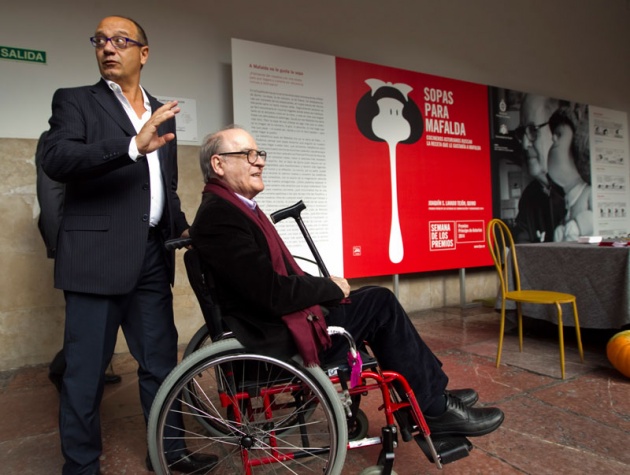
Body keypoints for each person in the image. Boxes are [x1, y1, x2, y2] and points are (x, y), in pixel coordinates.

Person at [189, 125, 505, 442]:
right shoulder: (221, 216)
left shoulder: (233, 209)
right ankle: (433, 406)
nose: (259, 162)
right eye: (248, 154)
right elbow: (271, 292)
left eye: (259, 154)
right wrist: (329, 288)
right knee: (380, 304)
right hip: (274, 338)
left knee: (371, 300)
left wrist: (325, 289)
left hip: (276, 323)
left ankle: (428, 392)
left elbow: (275, 281)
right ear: (219, 164)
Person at [41, 16, 216, 474]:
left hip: (152, 258)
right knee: (84, 375)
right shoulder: (76, 101)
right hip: (95, 259)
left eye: (120, 40)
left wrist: (188, 233)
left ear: (144, 52)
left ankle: (170, 454)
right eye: (100, 40)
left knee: (161, 365)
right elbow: (56, 158)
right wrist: (131, 146)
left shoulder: (160, 109)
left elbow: (165, 188)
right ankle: (80, 467)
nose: (108, 48)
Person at [35, 130, 122, 392]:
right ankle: (64, 373)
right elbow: (49, 195)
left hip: (107, 248)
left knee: (102, 323)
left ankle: (91, 371)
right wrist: (60, 245)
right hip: (76, 248)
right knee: (85, 327)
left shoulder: (106, 135)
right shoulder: (56, 137)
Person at [512, 94, 567, 243]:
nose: (524, 144)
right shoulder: (529, 197)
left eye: (532, 130)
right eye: (522, 133)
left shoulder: (578, 193)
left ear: (558, 133)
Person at [547, 104, 593, 241]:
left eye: (560, 135)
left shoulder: (590, 193)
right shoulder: (567, 198)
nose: (553, 139)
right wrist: (562, 229)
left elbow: (598, 217)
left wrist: (579, 225)